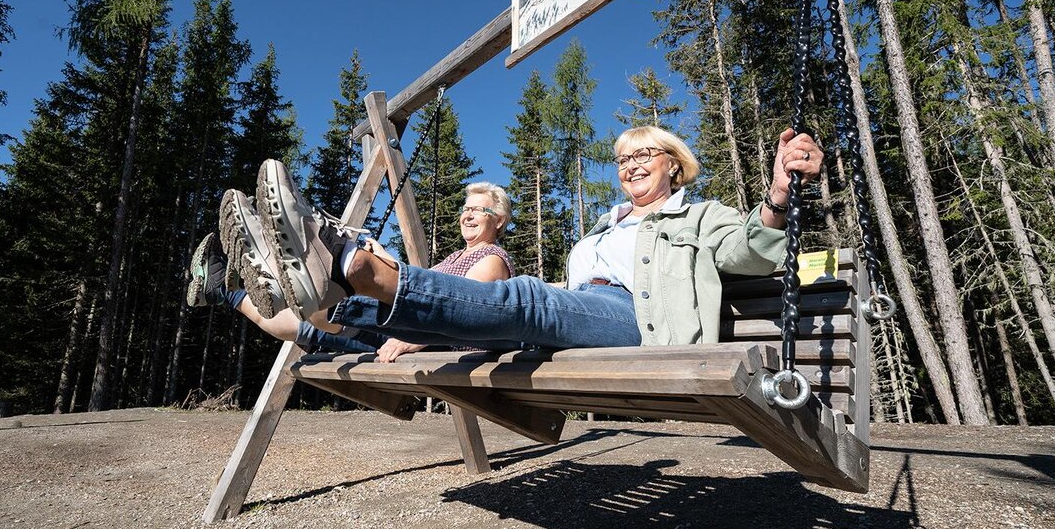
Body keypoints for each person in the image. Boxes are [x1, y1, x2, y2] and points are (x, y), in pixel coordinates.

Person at [240, 126, 822, 351]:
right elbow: (573, 291)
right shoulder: (607, 224)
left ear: (675, 164)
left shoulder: (697, 217)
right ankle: (327, 288)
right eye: (622, 159)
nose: (631, 165)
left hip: (641, 323)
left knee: (524, 296)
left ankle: (350, 263)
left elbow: (750, 249)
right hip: (584, 314)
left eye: (644, 154)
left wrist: (778, 195)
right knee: (512, 304)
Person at [187, 182, 515, 362]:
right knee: (307, 320)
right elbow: (426, 290)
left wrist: (410, 341)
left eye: (479, 210)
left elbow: (461, 311)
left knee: (327, 304)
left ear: (498, 220)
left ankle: (284, 255)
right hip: (408, 327)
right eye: (465, 208)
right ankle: (225, 288)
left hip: (427, 341)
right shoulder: (458, 255)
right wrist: (388, 259)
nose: (468, 215)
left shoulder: (492, 258)